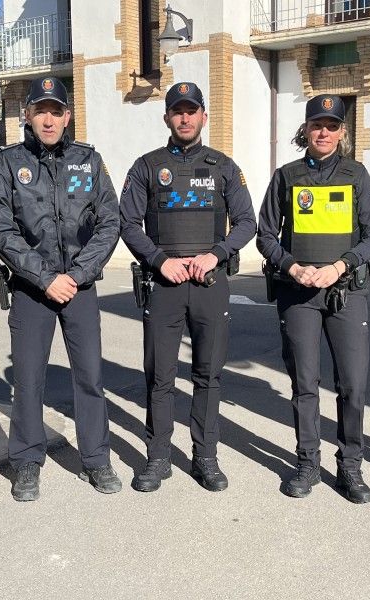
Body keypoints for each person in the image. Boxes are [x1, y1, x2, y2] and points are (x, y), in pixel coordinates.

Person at [0, 76, 122, 500]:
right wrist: (45, 277)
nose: (48, 118)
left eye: (55, 110)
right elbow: (0, 227)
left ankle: (97, 459)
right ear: (28, 115)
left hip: (79, 288)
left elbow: (109, 222)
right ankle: (27, 462)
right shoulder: (8, 163)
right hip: (31, 289)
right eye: (40, 110)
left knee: (90, 378)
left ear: (67, 116)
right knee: (28, 381)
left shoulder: (89, 161)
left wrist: (78, 274)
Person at [120, 82, 256, 492]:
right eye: (177, 111)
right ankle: (158, 457)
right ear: (166, 118)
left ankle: (205, 457)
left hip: (209, 281)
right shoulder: (146, 166)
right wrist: (161, 261)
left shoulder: (224, 167)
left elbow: (247, 222)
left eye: (191, 110)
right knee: (159, 376)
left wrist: (215, 254)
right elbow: (127, 222)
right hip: (164, 283)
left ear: (203, 117)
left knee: (208, 375)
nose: (184, 118)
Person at [257, 94, 370, 503]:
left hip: (344, 292)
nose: (324, 132)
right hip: (298, 294)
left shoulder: (356, 175)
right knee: (304, 383)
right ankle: (307, 462)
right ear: (306, 129)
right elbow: (264, 234)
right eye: (317, 125)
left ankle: (350, 466)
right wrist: (292, 267)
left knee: (352, 385)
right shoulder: (287, 175)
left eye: (332, 126)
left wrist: (340, 266)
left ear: (342, 132)